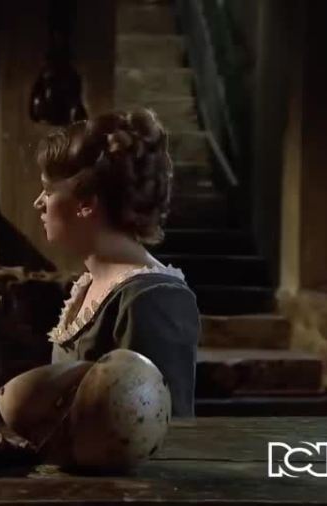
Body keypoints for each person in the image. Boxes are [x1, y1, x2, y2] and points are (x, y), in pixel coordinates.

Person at [33, 109, 200, 417]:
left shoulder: (152, 297)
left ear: (86, 203)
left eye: (48, 190)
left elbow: (166, 423)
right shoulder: (91, 284)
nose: (39, 203)